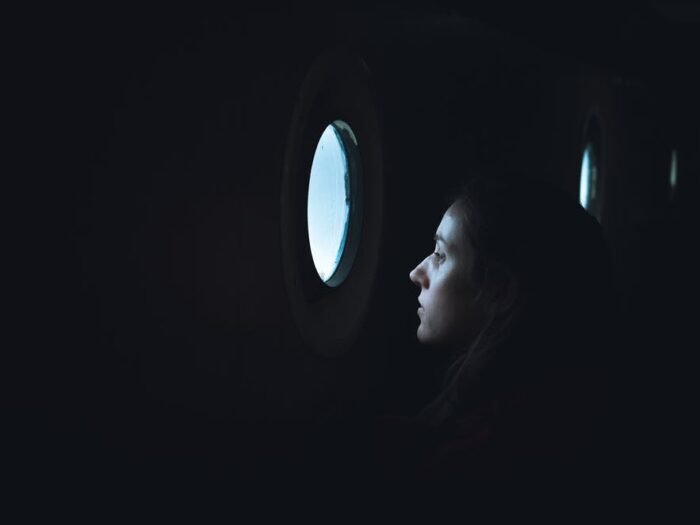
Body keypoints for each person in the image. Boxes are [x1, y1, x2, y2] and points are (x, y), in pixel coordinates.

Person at [378, 174, 616, 482]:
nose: (416, 273)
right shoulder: (540, 407)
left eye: (440, 255)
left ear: (501, 291)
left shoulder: (481, 462)